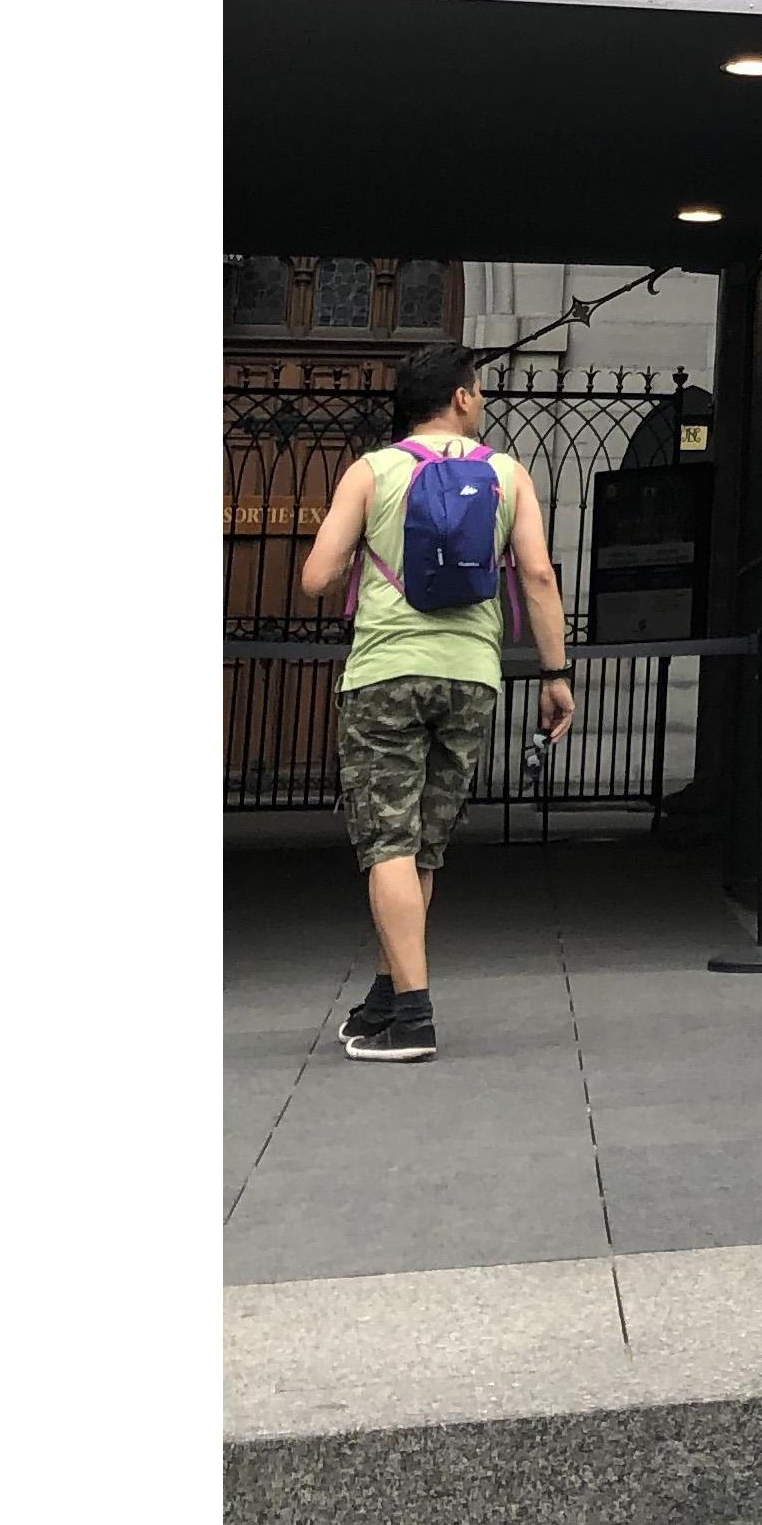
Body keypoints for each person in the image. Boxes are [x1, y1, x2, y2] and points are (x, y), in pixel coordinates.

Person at [293, 341, 575, 1064]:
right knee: (423, 841)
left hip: (385, 672)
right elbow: (538, 577)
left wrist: (369, 549)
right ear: (458, 397)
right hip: (469, 676)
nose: (480, 400)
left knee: (387, 839)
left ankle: (413, 1014)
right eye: (477, 389)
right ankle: (388, 999)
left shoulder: (372, 471)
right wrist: (554, 673)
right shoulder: (508, 474)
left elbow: (317, 577)